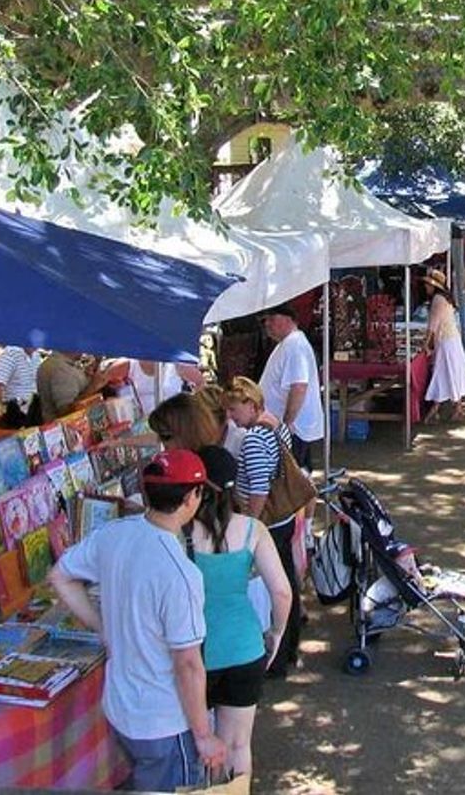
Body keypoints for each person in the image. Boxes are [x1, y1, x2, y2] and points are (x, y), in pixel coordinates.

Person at [48, 450, 226, 790]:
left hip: (121, 709)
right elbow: (188, 662)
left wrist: (103, 627)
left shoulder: (114, 534)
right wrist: (204, 735)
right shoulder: (180, 573)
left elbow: (61, 576)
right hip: (165, 722)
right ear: (191, 498)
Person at [187, 446, 292, 779]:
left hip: (192, 652)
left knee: (198, 746)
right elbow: (281, 591)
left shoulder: (179, 533)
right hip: (243, 647)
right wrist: (276, 632)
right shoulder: (252, 529)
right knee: (238, 745)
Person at [222, 377, 304, 679]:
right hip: (283, 517)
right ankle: (290, 647)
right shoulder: (277, 425)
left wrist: (251, 526)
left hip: (267, 521)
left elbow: (259, 489)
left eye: (234, 410)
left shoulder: (254, 439)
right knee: (286, 582)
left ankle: (277, 655)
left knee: (272, 589)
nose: (231, 417)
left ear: (251, 405)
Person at [259, 303, 324, 471]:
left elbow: (299, 387)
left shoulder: (295, 345)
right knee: (296, 475)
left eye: (272, 319)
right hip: (287, 426)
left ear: (288, 320)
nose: (267, 324)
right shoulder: (288, 344)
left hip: (294, 428)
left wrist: (287, 424)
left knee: (291, 478)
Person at [422, 270, 465, 423]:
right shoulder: (445, 298)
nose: (425, 287)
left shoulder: (438, 300)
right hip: (451, 340)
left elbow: (432, 326)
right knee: (447, 373)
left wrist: (425, 345)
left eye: (427, 284)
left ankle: (445, 407)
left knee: (446, 373)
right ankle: (450, 407)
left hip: (446, 342)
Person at [37, 351, 110, 422]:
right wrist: (94, 385)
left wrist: (89, 374)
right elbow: (67, 413)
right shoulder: (60, 370)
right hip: (71, 430)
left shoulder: (61, 364)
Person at [0, 346, 41, 427]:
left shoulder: (36, 355)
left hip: (33, 411)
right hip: (14, 413)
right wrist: (0, 410)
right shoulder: (11, 353)